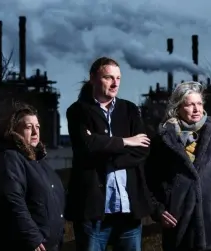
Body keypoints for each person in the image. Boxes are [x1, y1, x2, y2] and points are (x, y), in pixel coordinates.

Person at [65, 57, 152, 251]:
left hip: (128, 210)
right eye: (108, 77)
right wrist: (126, 142)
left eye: (118, 78)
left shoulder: (130, 110)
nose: (115, 83)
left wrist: (103, 150)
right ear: (93, 78)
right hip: (93, 210)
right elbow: (86, 146)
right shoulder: (78, 111)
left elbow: (143, 149)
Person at [144, 81, 211, 251]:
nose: (196, 109)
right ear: (178, 107)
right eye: (189, 105)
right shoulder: (163, 139)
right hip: (180, 227)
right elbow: (149, 180)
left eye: (199, 103)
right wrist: (158, 211)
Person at [0, 103, 65, 251]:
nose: (35, 132)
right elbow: (12, 201)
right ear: (14, 130)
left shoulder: (37, 160)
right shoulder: (9, 158)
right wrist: (33, 238)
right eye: (29, 127)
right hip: (24, 245)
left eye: (37, 127)